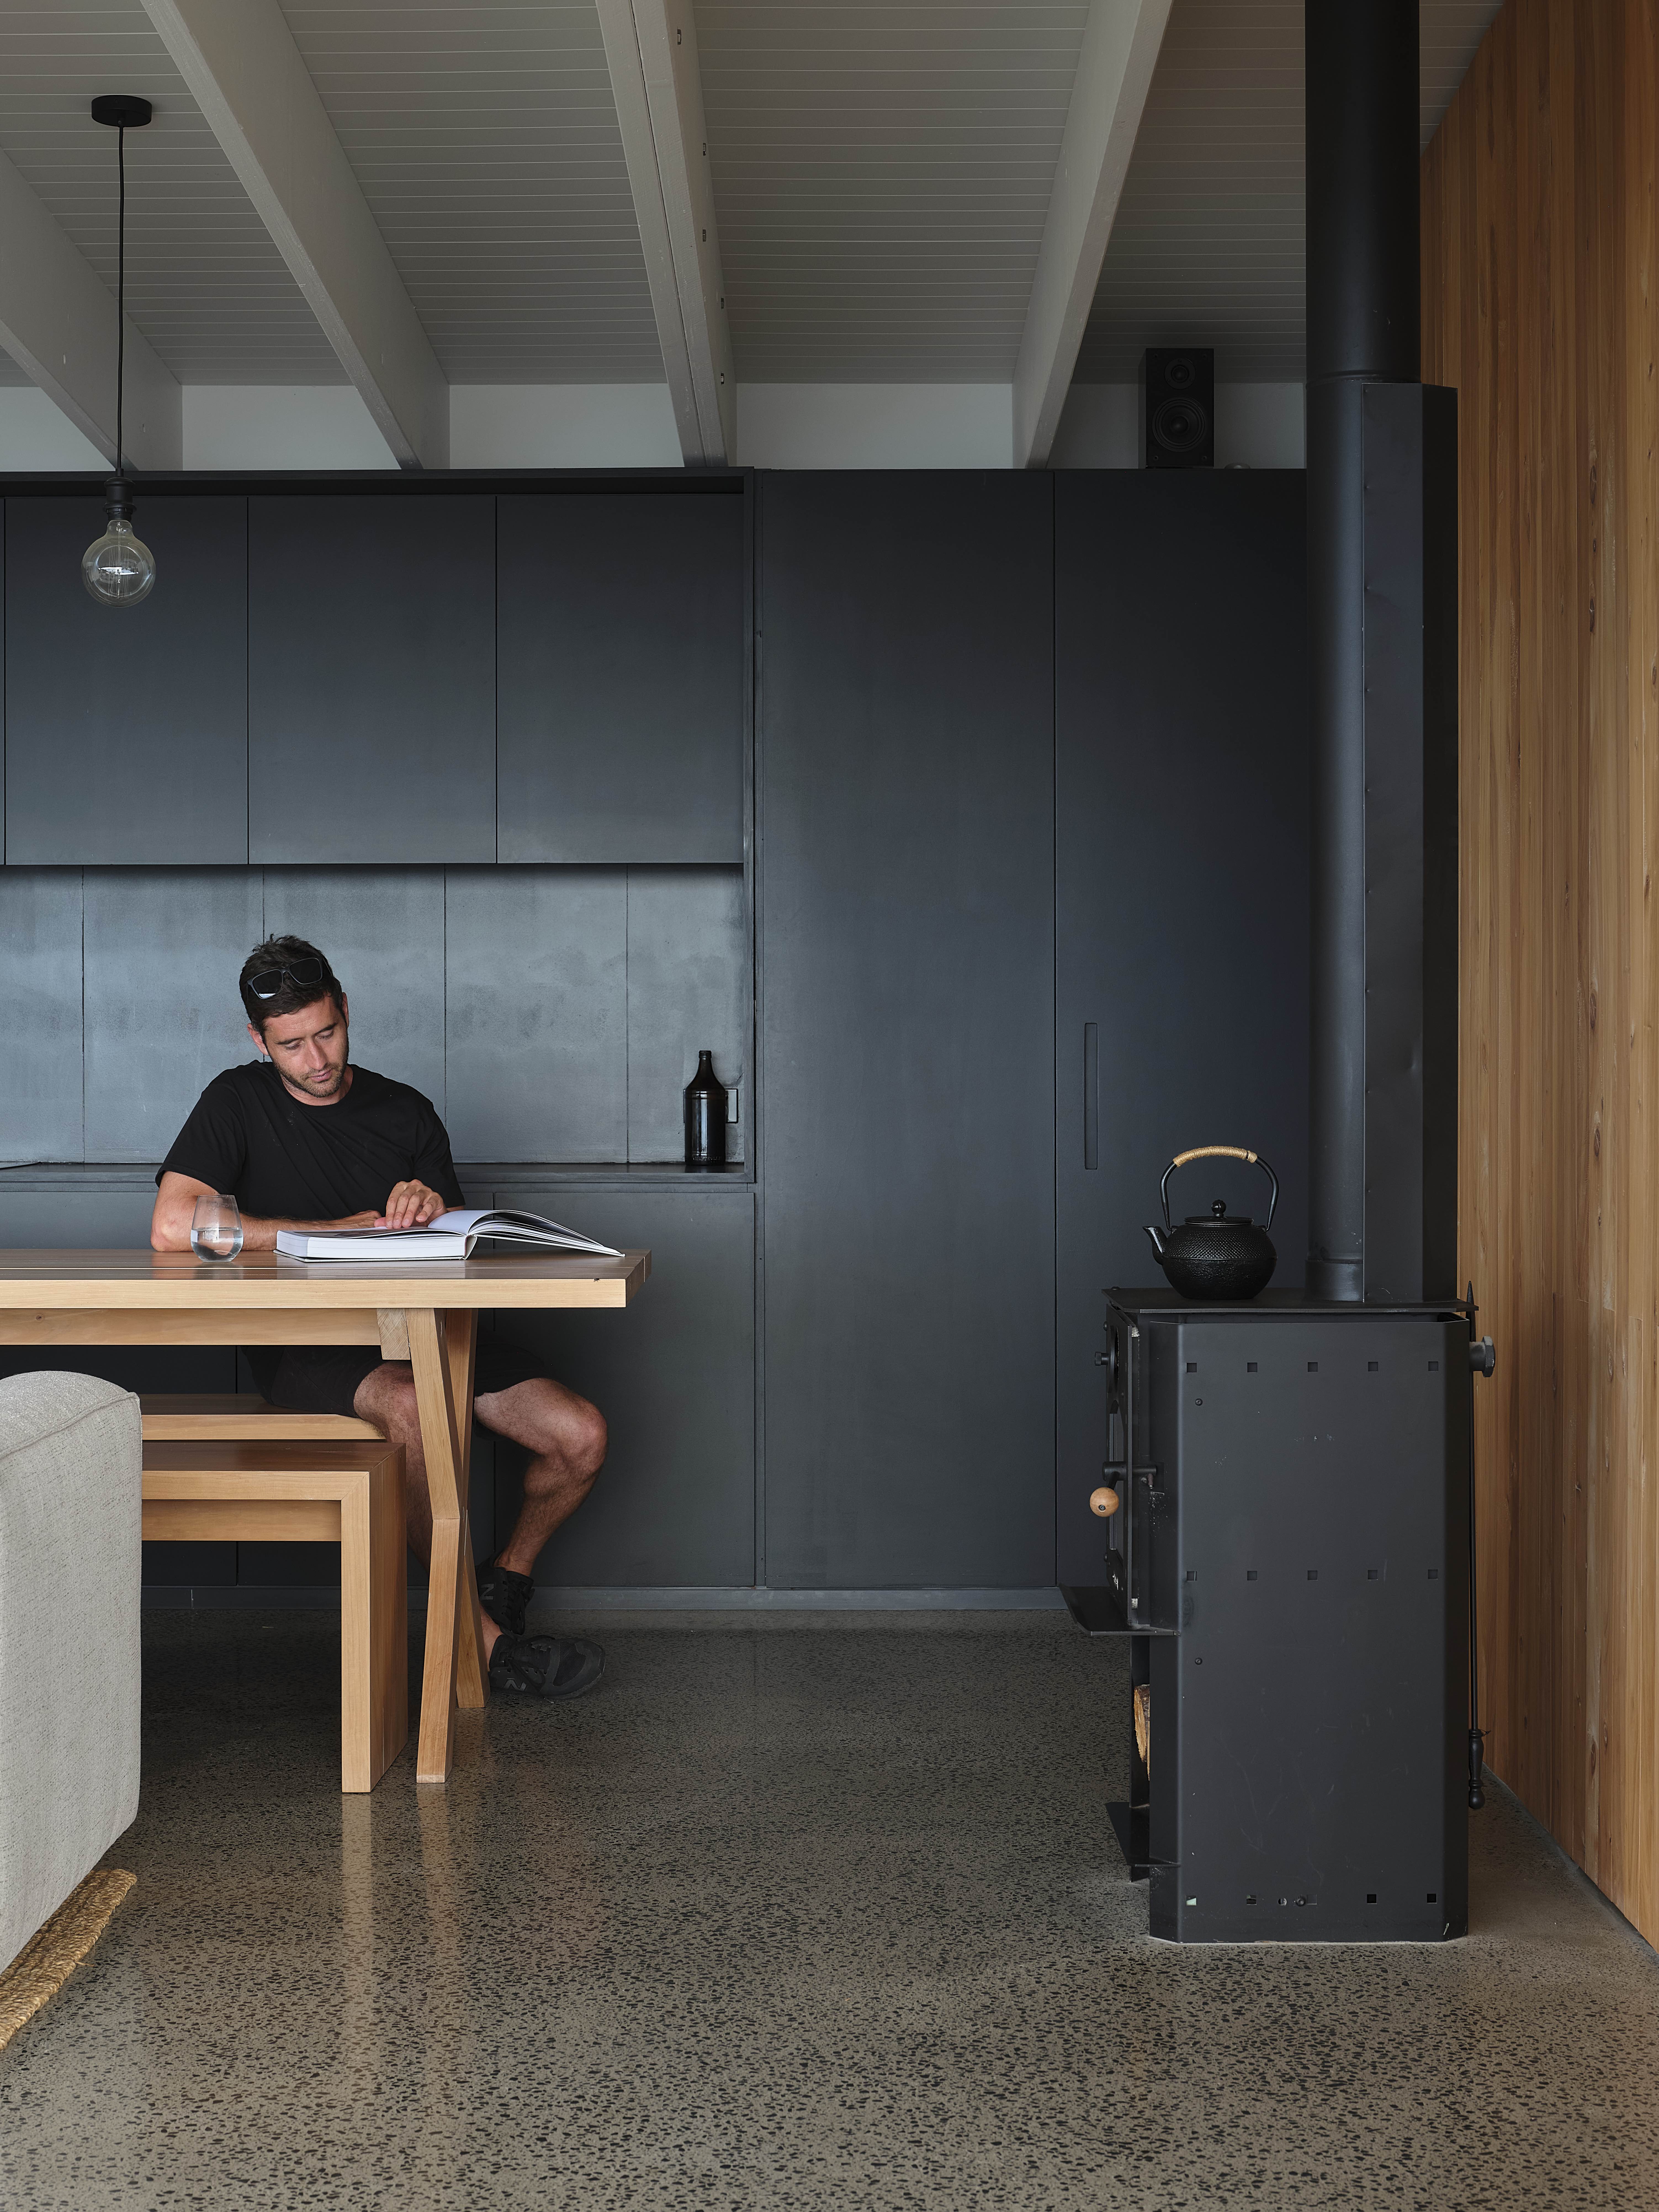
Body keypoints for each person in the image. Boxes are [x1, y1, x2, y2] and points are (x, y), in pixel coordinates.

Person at [150, 934, 606, 1701]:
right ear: (259, 1041)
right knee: (413, 1405)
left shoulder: (406, 1110)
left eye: (327, 1033)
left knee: (580, 1436)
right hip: (308, 1349)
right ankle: (481, 1643)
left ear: (346, 1008)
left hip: (424, 1328)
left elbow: (457, 1241)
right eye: (291, 1045)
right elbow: (172, 1226)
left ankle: (504, 1584)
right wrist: (331, 1231)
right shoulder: (235, 1100)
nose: (316, 1059)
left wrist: (432, 1205)